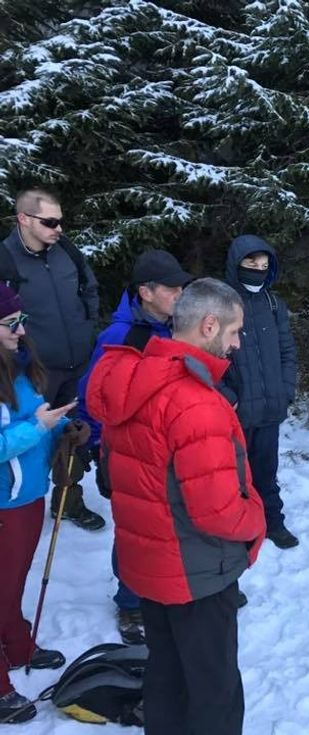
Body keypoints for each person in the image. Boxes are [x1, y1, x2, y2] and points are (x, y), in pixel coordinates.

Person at [86, 278, 266, 735]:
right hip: (196, 573)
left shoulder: (135, 380)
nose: (237, 343)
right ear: (209, 325)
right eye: (234, 332)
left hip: (150, 565)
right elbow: (218, 510)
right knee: (213, 690)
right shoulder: (194, 401)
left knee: (166, 676)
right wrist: (256, 522)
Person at [76, 249, 193, 645]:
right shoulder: (120, 336)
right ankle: (129, 603)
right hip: (127, 451)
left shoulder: (181, 327)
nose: (180, 292)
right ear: (146, 291)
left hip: (169, 447)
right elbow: (93, 393)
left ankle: (168, 587)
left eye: (182, 285)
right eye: (172, 287)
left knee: (170, 521)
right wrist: (93, 442)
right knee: (134, 528)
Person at [0, 283, 85, 723]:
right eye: (9, 323)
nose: (20, 330)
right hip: (3, 500)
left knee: (11, 582)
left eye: (21, 321)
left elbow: (36, 412)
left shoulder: (19, 364)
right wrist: (38, 427)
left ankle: (16, 643)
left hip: (26, 496)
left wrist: (63, 428)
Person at [2, 188, 103, 531]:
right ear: (24, 219)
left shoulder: (66, 251)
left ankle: (68, 503)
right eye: (50, 222)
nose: (58, 228)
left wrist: (86, 327)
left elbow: (88, 287)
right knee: (31, 437)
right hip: (36, 372)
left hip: (77, 362)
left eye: (60, 220)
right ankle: (20, 509)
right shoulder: (5, 260)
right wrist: (23, 358)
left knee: (71, 439)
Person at [220, 235, 298, 549]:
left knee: (266, 472)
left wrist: (285, 390)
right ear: (236, 264)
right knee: (234, 476)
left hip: (269, 410)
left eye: (264, 265)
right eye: (251, 263)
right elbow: (208, 357)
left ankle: (272, 522)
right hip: (236, 414)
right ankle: (239, 530)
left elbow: (287, 352)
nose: (258, 270)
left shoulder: (273, 304)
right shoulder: (221, 305)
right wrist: (228, 399)